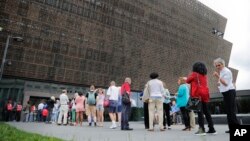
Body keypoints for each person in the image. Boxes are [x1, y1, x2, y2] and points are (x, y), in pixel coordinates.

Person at [186, 62, 217, 135]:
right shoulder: (204, 75)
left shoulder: (194, 74)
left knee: (200, 112)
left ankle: (201, 130)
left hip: (198, 95)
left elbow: (187, 81)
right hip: (205, 95)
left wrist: (191, 74)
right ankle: (212, 129)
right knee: (207, 112)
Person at [213, 58, 239, 133]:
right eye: (216, 65)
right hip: (226, 93)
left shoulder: (226, 71)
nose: (218, 67)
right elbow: (222, 83)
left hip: (229, 92)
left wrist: (217, 76)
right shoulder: (222, 71)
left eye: (219, 65)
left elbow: (226, 83)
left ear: (223, 64)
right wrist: (219, 83)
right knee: (228, 111)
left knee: (231, 111)